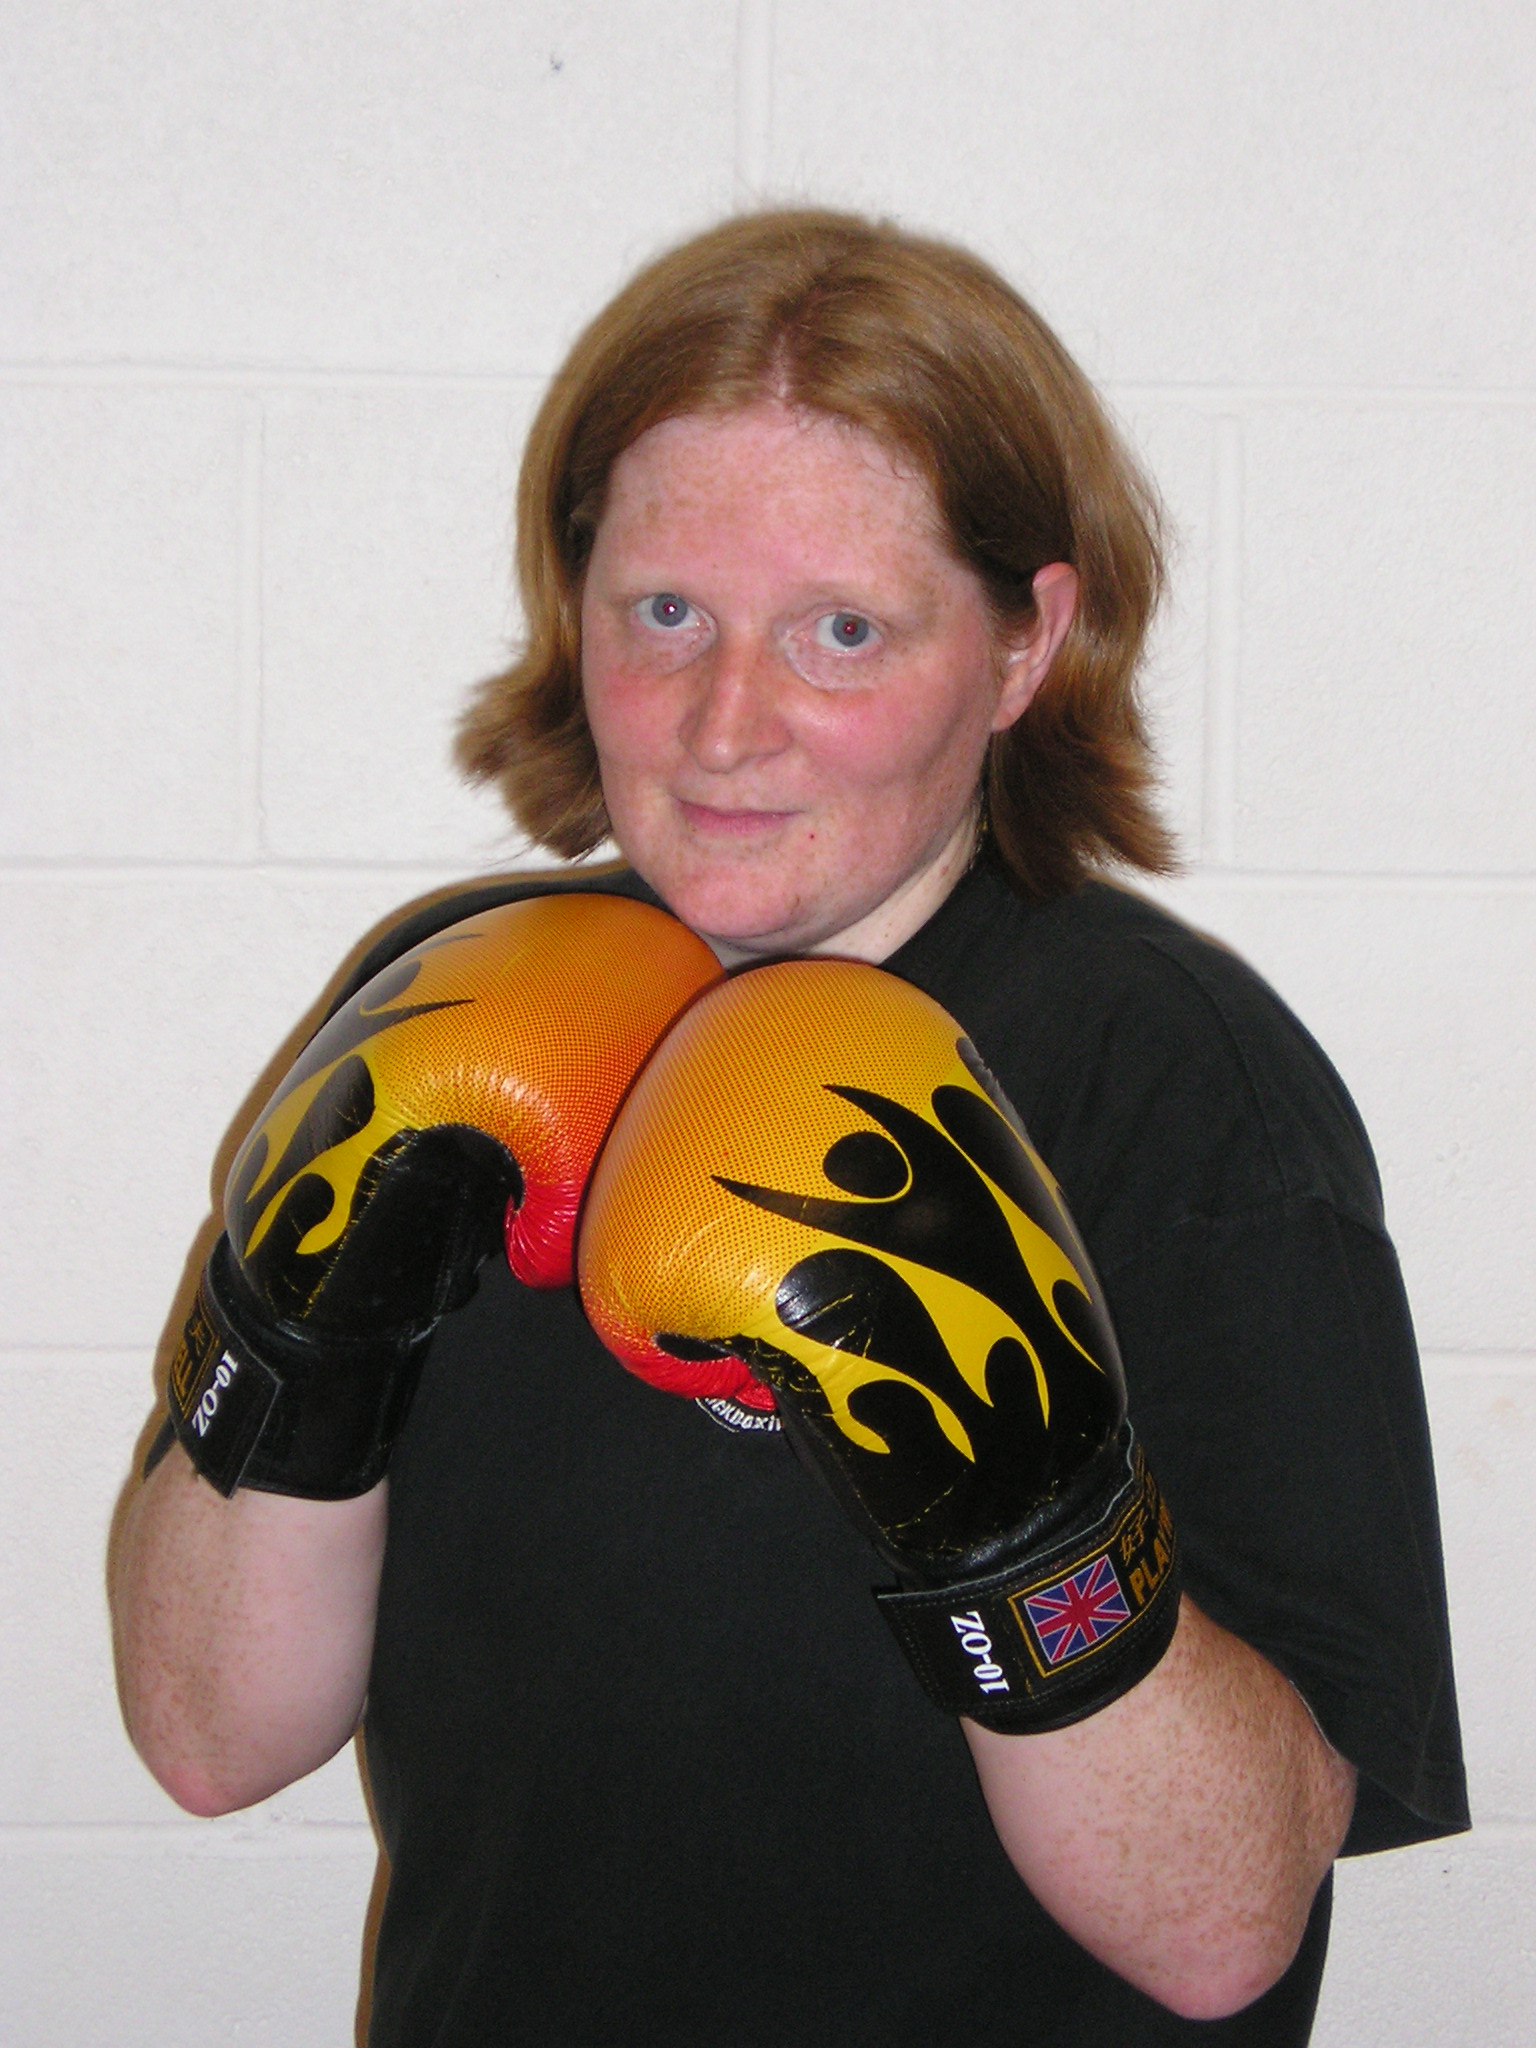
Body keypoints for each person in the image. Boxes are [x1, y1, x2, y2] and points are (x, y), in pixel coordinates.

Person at [110, 209, 1467, 2046]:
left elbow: (1222, 1929)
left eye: (841, 632)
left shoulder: (1174, 1084)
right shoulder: (449, 1011)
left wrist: (1021, 1514)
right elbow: (208, 1735)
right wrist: (292, 1334)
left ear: (1023, 645)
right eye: (666, 613)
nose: (723, 726)